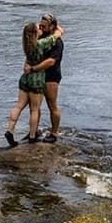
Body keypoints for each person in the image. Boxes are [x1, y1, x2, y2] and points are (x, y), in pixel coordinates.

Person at [5, 21, 62, 147]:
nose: (40, 27)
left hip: (25, 78)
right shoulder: (41, 44)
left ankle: (9, 130)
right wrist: (58, 29)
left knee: (18, 106)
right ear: (36, 33)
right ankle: (32, 136)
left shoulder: (26, 45)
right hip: (36, 79)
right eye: (38, 28)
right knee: (34, 110)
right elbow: (56, 35)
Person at [26, 12, 64, 143]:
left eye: (44, 26)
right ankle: (33, 131)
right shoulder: (41, 37)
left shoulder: (57, 42)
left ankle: (53, 133)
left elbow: (51, 61)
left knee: (52, 105)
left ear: (52, 26)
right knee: (34, 106)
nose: (41, 27)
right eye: (40, 25)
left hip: (51, 76)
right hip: (37, 76)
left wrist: (33, 69)